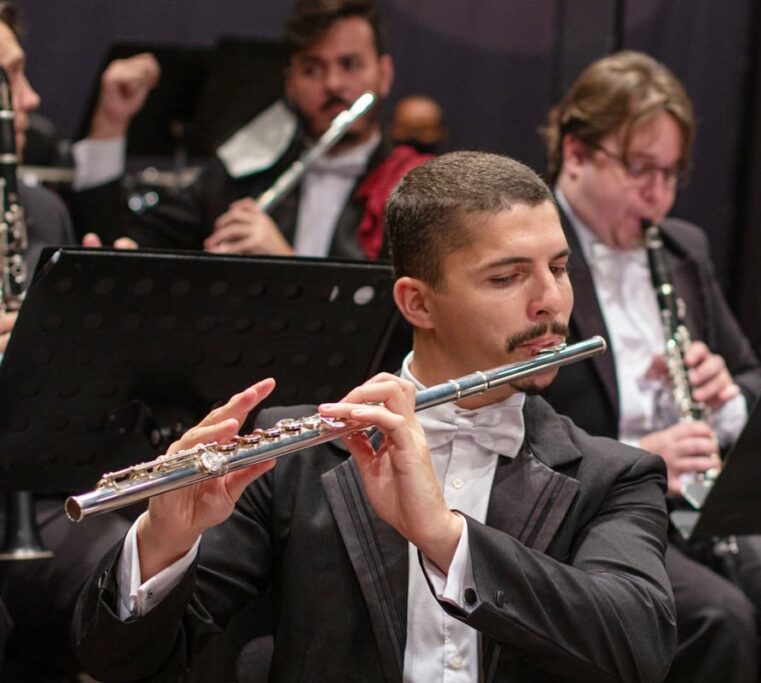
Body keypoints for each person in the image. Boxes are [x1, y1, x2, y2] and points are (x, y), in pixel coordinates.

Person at [72, 151, 677, 682]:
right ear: (417, 301)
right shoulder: (298, 460)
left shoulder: (614, 477)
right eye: (508, 276)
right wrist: (163, 542)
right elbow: (121, 662)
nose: (552, 300)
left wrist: (446, 538)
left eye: (560, 267)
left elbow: (639, 648)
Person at [540, 51, 761, 683]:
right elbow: (511, 419)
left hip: (693, 506)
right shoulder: (532, 253)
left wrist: (724, 398)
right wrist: (636, 453)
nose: (658, 194)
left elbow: (751, 376)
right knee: (719, 618)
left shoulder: (683, 248)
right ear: (576, 153)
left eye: (671, 173)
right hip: (584, 511)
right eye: (640, 169)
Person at [69, 0, 430, 260]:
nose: (334, 84)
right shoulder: (241, 175)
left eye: (350, 65)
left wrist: (287, 265)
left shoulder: (415, 187)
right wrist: (110, 123)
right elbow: (114, 240)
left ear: (383, 75)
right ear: (289, 81)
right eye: (312, 69)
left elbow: (407, 321)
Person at [0, 3, 134, 679]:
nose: (31, 99)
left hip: (38, 501)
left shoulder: (38, 208)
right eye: (9, 80)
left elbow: (68, 424)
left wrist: (93, 343)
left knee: (136, 572)